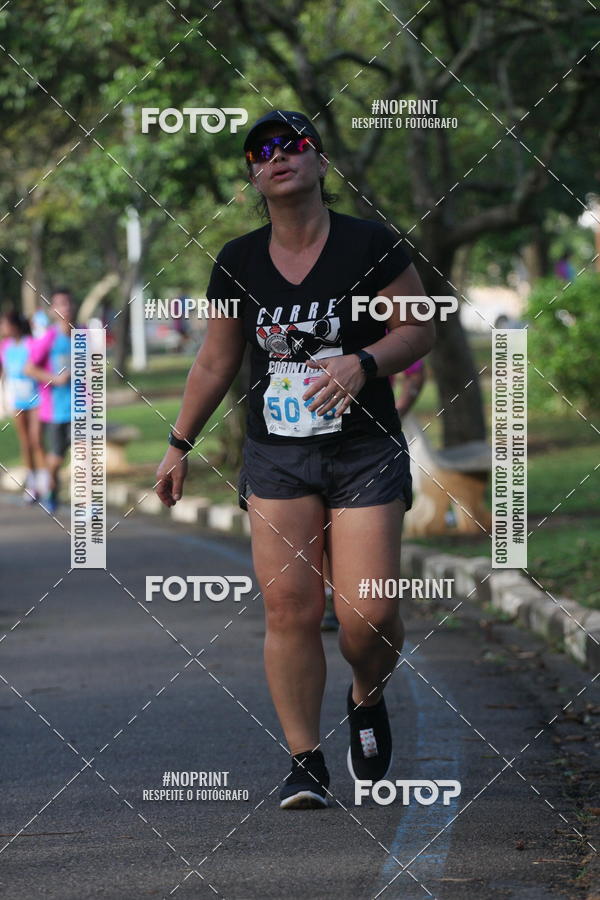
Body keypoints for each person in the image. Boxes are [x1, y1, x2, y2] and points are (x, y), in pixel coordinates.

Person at [155, 110, 435, 809]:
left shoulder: (371, 244)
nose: (276, 156)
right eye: (261, 152)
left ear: (319, 162)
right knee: (290, 608)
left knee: (367, 615)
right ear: (253, 175)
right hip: (278, 456)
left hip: (363, 449)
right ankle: (305, 760)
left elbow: (419, 327)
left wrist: (364, 361)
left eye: (292, 145)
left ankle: (367, 694)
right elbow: (217, 361)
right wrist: (178, 444)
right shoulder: (238, 260)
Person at [320, 358, 427, 631]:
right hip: (299, 443)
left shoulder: (381, 321)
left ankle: (358, 602)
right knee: (314, 525)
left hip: (367, 441)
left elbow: (415, 371)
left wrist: (400, 407)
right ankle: (329, 596)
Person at [25, 289, 74, 514]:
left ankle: (85, 503)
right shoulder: (49, 338)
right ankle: (51, 489)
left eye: (68, 303)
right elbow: (29, 368)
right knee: (56, 458)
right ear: (53, 311)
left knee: (85, 453)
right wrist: (54, 379)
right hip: (56, 411)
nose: (65, 308)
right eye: (60, 305)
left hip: (82, 409)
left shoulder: (84, 334)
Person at [0, 308, 46, 502]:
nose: (2, 327)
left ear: (14, 326)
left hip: (36, 399)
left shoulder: (31, 344)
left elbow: (40, 366)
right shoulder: (5, 347)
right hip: (18, 401)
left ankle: (45, 483)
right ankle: (32, 484)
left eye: (4, 323)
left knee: (36, 441)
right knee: (25, 443)